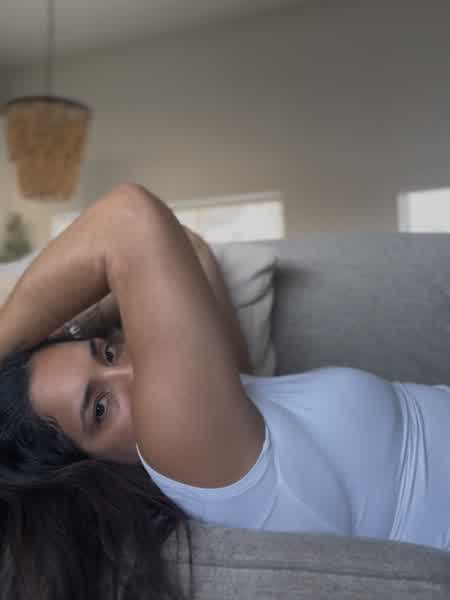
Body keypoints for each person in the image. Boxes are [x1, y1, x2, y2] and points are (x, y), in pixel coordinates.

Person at [0, 183, 449, 599]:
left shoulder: (224, 417)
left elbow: (190, 249)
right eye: (100, 409)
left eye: (109, 354)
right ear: (89, 468)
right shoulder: (194, 455)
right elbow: (128, 219)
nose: (136, 372)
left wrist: (75, 327)